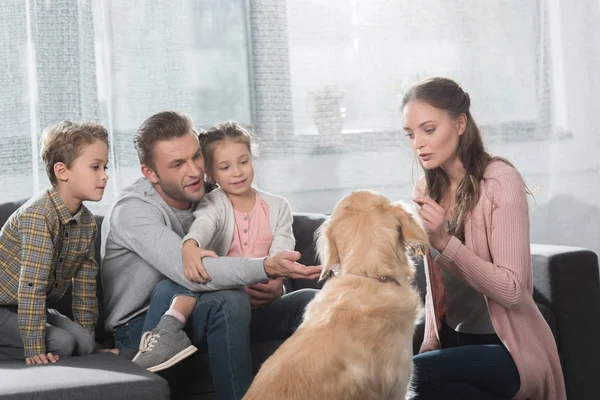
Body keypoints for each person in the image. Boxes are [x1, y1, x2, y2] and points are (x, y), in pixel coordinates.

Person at [101, 111, 321, 400]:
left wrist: (275, 284)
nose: (194, 171)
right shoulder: (132, 212)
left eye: (196, 157)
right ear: (150, 173)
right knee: (229, 298)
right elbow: (193, 272)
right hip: (144, 325)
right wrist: (265, 267)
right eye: (177, 164)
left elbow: (255, 233)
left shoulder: (211, 193)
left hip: (213, 310)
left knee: (307, 302)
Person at [401, 77, 566, 400]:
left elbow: (512, 289)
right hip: (454, 342)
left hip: (507, 349)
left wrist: (445, 243)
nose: (418, 143)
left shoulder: (499, 180)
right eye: (410, 134)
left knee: (411, 376)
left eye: (429, 129)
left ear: (460, 123)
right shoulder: (424, 190)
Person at [131, 121, 297, 371]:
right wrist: (190, 243)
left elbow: (283, 254)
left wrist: (277, 284)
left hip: (263, 306)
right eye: (225, 167)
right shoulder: (212, 203)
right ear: (211, 172)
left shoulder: (278, 206)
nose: (238, 172)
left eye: (244, 162)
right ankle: (169, 327)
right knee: (213, 290)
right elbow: (203, 227)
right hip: (227, 305)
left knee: (309, 299)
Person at [0, 120, 110, 364]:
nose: (105, 175)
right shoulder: (38, 216)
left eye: (105, 166)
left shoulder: (87, 223)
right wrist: (34, 349)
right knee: (63, 343)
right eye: (95, 167)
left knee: (82, 342)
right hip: (6, 304)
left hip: (22, 307)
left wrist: (89, 345)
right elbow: (32, 287)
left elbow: (84, 288)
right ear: (62, 171)